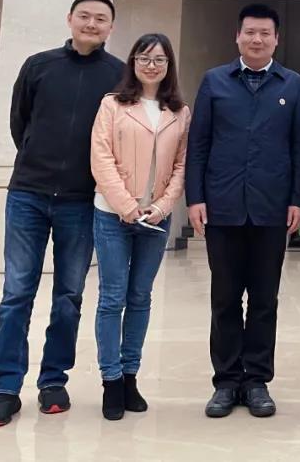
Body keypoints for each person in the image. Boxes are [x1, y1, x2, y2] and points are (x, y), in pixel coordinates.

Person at [0, 0, 124, 428]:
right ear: (70, 19)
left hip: (81, 200)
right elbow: (19, 122)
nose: (92, 24)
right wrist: (36, 159)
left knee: (69, 296)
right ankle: (6, 389)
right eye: (85, 16)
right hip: (28, 194)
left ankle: (53, 381)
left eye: (101, 19)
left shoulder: (118, 76)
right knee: (16, 294)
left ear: (110, 27)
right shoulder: (38, 66)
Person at [186, 3, 300, 419]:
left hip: (272, 209)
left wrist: (297, 199)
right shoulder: (214, 81)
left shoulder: (292, 84)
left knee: (264, 300)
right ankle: (226, 382)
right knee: (224, 298)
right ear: (237, 37)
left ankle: (256, 381)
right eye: (250, 32)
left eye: (265, 33)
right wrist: (195, 198)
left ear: (276, 39)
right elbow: (198, 144)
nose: (257, 39)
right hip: (222, 208)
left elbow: (299, 147)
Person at [89, 33, 190, 420]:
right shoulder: (112, 104)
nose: (151, 65)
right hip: (112, 214)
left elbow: (182, 165)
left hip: (155, 219)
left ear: (169, 66)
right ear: (132, 62)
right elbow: (101, 158)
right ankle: (111, 380)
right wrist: (127, 206)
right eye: (144, 58)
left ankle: (130, 375)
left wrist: (162, 207)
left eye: (159, 59)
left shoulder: (179, 112)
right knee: (112, 298)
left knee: (141, 297)